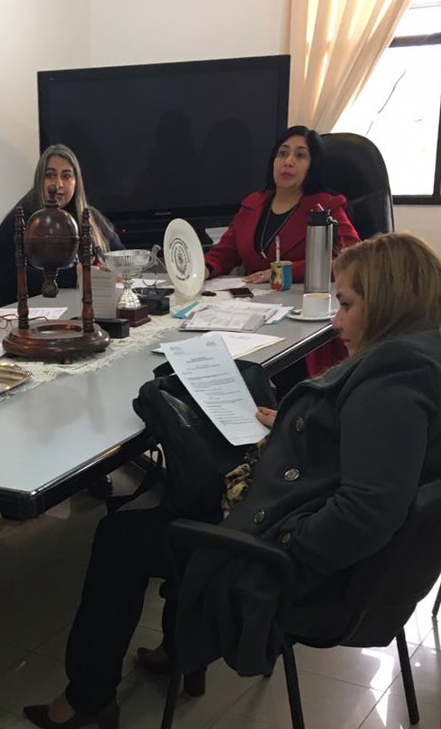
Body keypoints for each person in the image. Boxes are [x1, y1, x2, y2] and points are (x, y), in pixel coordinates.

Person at [24, 232, 441, 728]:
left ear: (389, 303)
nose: (336, 320)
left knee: (120, 537)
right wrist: (298, 423)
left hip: (293, 565)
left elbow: (366, 513)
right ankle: (181, 653)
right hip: (317, 529)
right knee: (191, 488)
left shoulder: (391, 382)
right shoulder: (423, 357)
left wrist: (282, 546)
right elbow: (370, 459)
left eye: (347, 304)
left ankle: (87, 700)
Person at [203, 126, 360, 376]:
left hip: (302, 319)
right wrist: (205, 268)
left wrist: (286, 271)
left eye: (300, 155)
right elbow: (225, 250)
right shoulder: (253, 204)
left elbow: (352, 260)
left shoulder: (326, 206)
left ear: (313, 165)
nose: (288, 162)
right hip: (251, 315)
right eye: (283, 153)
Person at [0, 144, 125, 309]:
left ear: (76, 181)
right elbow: (13, 279)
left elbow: (121, 257)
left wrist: (109, 270)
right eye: (50, 175)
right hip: (13, 314)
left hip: (74, 309)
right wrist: (75, 276)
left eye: (66, 176)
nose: (58, 184)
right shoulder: (19, 221)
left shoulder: (89, 217)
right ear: (39, 180)